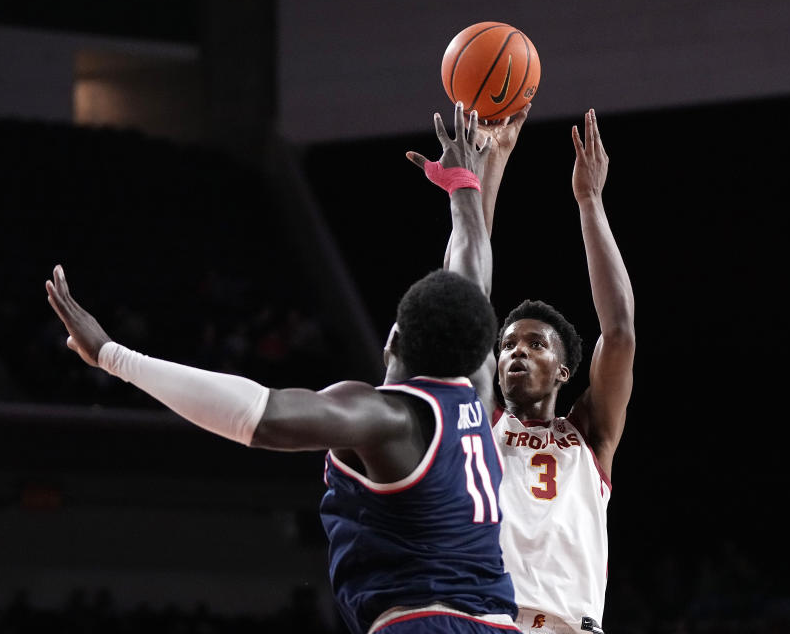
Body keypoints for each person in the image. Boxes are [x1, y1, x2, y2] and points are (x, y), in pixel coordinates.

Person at [45, 104, 521, 634]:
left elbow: (258, 415)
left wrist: (114, 356)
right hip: (500, 624)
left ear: (394, 341)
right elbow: (472, 271)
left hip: (425, 625)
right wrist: (463, 186)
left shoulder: (386, 418)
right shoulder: (475, 392)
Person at [413, 108, 635, 634]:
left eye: (535, 345)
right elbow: (465, 296)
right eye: (508, 343)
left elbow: (620, 331)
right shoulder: (482, 419)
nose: (515, 352)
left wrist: (590, 202)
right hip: (487, 620)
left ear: (563, 371)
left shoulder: (591, 435)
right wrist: (491, 167)